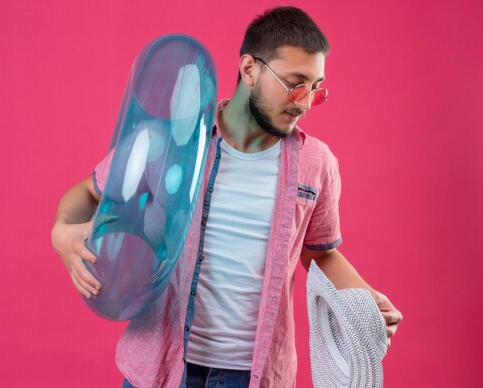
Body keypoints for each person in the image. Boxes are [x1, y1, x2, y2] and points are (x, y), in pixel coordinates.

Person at [51, 6, 403, 388]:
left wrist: (368, 301)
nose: (303, 102)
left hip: (254, 375)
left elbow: (320, 252)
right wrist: (62, 231)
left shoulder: (316, 163)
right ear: (250, 69)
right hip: (162, 365)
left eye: (316, 89)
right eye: (294, 83)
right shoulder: (174, 140)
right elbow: (88, 192)